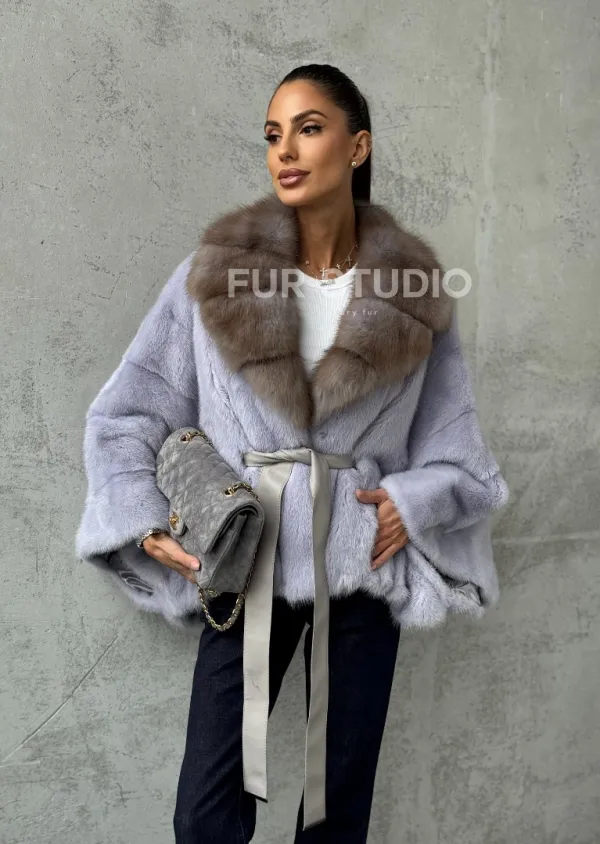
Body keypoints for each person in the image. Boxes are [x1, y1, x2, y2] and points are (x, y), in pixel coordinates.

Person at [75, 63, 509, 843]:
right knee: (205, 815)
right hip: (249, 553)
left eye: (309, 128)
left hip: (359, 562)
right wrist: (145, 520)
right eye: (274, 133)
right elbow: (128, 411)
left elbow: (458, 451)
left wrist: (410, 505)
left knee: (335, 812)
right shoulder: (212, 278)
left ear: (357, 146)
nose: (286, 149)